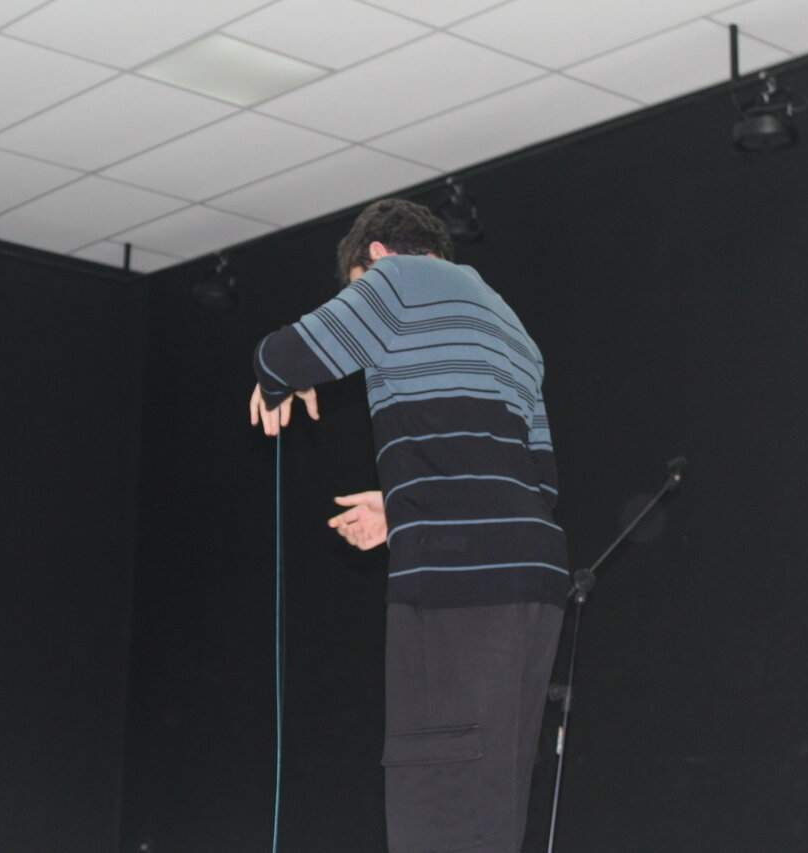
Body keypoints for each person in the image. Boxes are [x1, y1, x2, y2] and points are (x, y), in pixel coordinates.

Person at [248, 198, 568, 853]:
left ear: (375, 255)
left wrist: (276, 382)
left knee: (435, 799)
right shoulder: (510, 323)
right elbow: (539, 483)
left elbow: (284, 354)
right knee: (489, 803)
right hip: (533, 583)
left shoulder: (397, 281)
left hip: (459, 588)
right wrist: (401, 511)